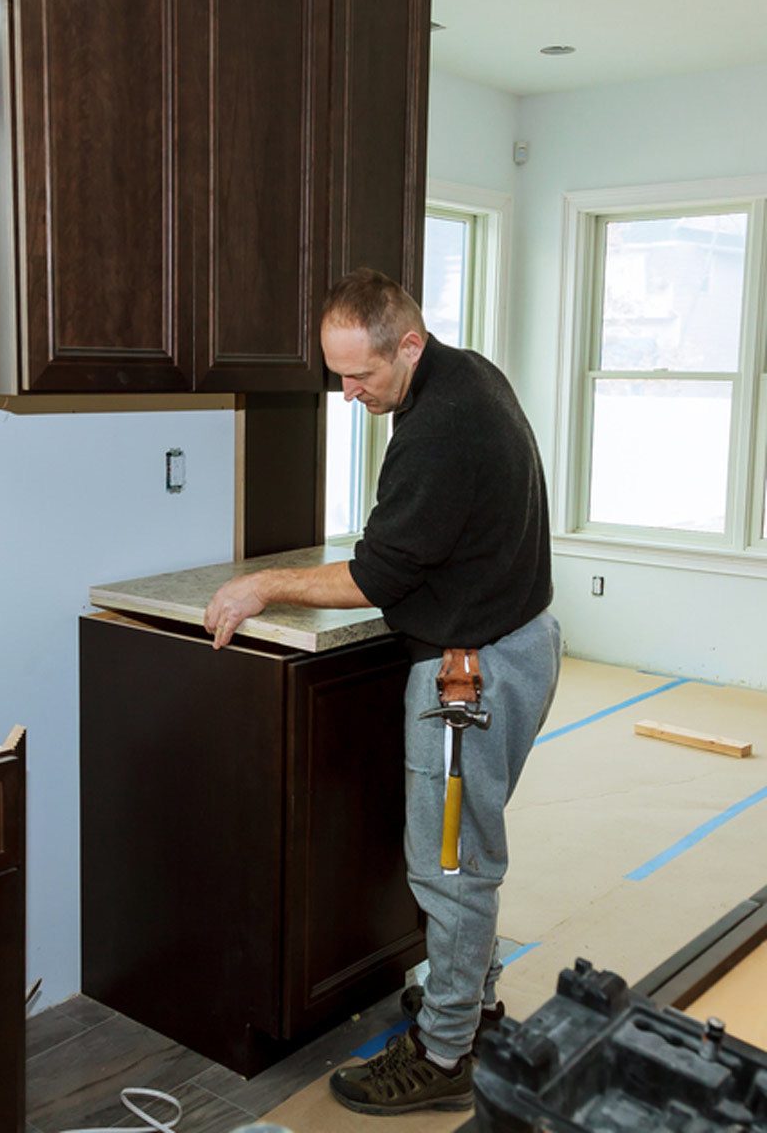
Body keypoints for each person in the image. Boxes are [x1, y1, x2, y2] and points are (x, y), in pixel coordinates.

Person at [203, 268, 561, 1116]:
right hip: (515, 640)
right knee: (463, 852)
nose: (349, 392)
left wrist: (266, 586)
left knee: (450, 865)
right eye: (337, 374)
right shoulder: (466, 371)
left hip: (471, 673)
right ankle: (467, 1003)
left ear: (408, 343)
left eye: (361, 374)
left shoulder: (440, 427)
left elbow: (377, 572)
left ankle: (443, 1058)